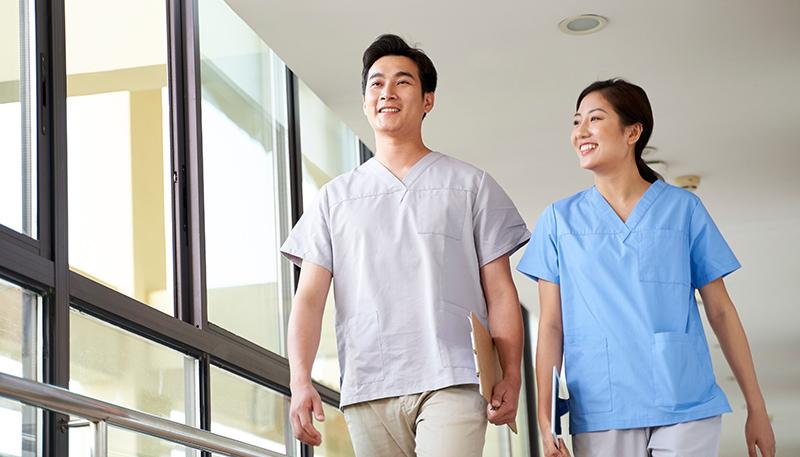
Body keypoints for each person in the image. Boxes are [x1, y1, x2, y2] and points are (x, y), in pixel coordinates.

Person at [280, 34, 530, 456]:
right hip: (369, 384)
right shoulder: (334, 199)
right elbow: (308, 300)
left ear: (428, 100)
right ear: (364, 102)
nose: (387, 93)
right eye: (376, 84)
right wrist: (300, 379)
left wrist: (511, 374)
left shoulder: (470, 185)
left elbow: (502, 292)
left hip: (453, 376)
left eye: (402, 82)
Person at [517, 79, 776, 457]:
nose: (580, 132)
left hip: (685, 398)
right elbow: (552, 325)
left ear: (632, 132)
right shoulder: (559, 219)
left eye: (595, 119)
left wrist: (757, 408)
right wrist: (545, 419)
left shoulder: (683, 210)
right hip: (602, 403)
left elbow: (720, 310)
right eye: (576, 122)